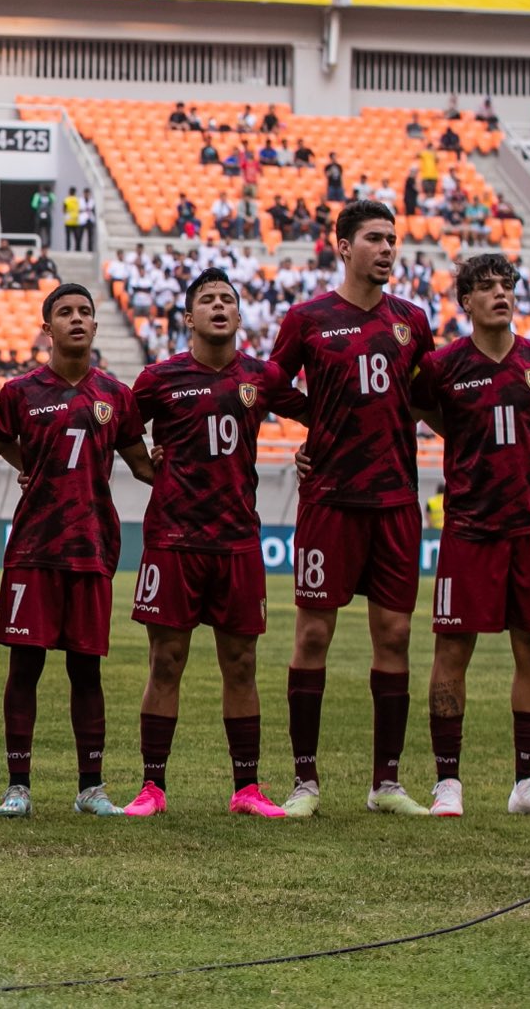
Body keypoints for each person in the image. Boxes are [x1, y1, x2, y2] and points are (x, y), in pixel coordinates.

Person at [270, 199, 437, 818]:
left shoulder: (413, 321)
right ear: (342, 246)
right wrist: (317, 419)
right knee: (313, 633)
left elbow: (425, 395)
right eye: (374, 238)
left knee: (394, 635)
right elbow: (270, 381)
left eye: (393, 239)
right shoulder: (308, 318)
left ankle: (386, 784)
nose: (387, 248)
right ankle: (305, 783)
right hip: (330, 501)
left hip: (395, 500)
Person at [410, 254, 530, 819]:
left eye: (506, 285)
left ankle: (527, 784)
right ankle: (448, 783)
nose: (499, 294)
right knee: (452, 650)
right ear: (465, 301)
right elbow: (416, 408)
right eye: (485, 287)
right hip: (468, 530)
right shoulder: (442, 367)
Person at [127, 269, 307, 819]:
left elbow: (320, 411)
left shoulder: (261, 375)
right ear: (188, 317)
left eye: (228, 299)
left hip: (236, 539)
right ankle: (151, 787)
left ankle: (246, 788)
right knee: (166, 661)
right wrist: (143, 466)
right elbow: (116, 429)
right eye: (207, 300)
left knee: (242, 664)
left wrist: (311, 450)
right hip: (173, 538)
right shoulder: (159, 378)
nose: (220, 307)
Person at [0, 283, 154, 818]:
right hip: (33, 548)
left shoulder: (116, 397)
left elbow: (145, 466)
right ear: (46, 328)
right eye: (65, 313)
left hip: (92, 547)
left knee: (86, 671)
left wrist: (184, 464)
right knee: (24, 668)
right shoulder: (20, 393)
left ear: (96, 327)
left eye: (85, 313)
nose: (77, 319)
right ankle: (17, 787)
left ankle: (91, 787)